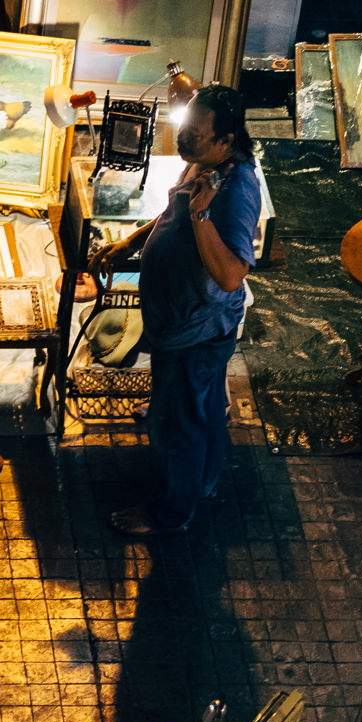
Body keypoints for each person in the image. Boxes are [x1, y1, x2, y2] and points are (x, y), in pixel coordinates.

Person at [90, 85, 258, 537]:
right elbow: (173, 214)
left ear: (226, 140)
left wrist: (203, 216)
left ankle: (171, 511)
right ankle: (201, 482)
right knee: (201, 408)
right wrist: (132, 241)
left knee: (175, 424)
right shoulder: (205, 162)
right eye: (186, 128)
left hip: (196, 329)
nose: (183, 140)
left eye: (195, 135)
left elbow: (230, 275)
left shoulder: (236, 190)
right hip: (180, 320)